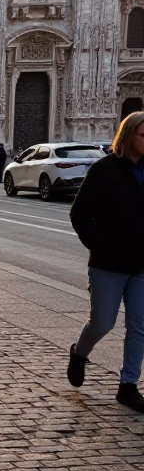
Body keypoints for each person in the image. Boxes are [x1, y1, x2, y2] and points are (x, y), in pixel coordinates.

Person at [67, 112, 144, 411]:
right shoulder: (103, 170)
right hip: (108, 264)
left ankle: (128, 385)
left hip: (141, 265)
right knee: (102, 322)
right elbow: (79, 214)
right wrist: (101, 245)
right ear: (128, 137)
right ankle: (80, 354)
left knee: (139, 327)